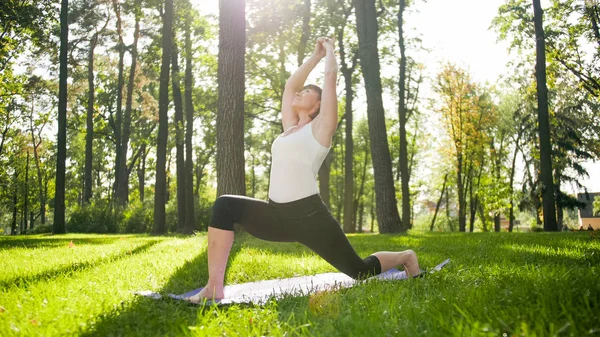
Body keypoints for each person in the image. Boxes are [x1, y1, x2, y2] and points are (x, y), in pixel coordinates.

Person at [187, 37, 420, 303]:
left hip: (310, 218)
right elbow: (290, 86)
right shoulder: (289, 129)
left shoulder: (321, 129)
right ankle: (214, 288)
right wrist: (314, 56)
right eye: (302, 91)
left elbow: (330, 78)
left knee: (359, 271)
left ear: (318, 105)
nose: (299, 93)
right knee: (224, 206)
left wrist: (330, 50)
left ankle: (406, 257)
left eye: (307, 92)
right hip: (276, 214)